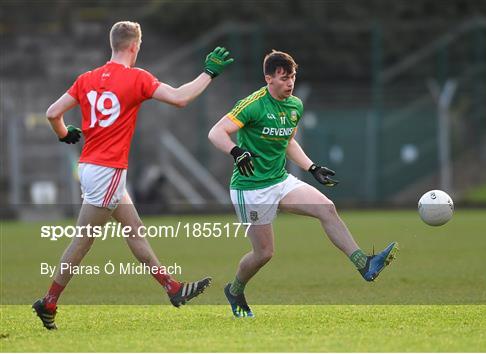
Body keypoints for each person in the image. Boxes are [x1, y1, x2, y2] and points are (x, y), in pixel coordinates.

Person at [33, 21, 234, 330]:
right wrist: (209, 73)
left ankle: (173, 288)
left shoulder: (86, 78)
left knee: (134, 229)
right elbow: (180, 97)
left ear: (112, 44)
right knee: (83, 240)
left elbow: (51, 112)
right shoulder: (137, 77)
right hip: (109, 170)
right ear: (134, 46)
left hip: (90, 167)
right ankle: (48, 301)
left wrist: (64, 134)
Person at [208, 50, 398, 318]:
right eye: (284, 78)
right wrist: (236, 152)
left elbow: (288, 141)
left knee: (326, 207)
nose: (290, 83)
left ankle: (364, 263)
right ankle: (235, 289)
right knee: (264, 253)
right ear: (268, 79)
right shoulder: (253, 104)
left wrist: (312, 167)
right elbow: (216, 132)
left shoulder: (295, 105)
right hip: (250, 188)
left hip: (279, 180)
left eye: (293, 77)